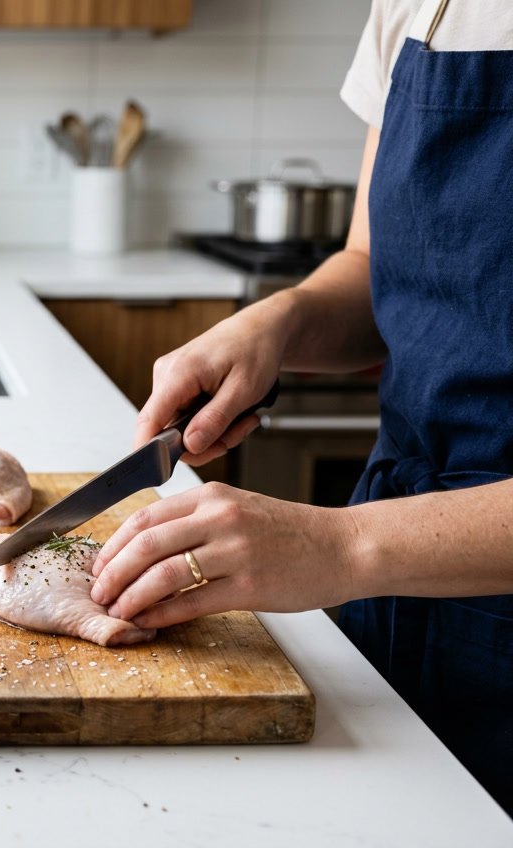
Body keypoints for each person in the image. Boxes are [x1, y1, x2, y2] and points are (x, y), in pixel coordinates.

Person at [87, 0, 513, 813]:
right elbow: (373, 267)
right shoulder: (419, 6)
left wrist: (341, 547)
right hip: (395, 589)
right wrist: (275, 323)